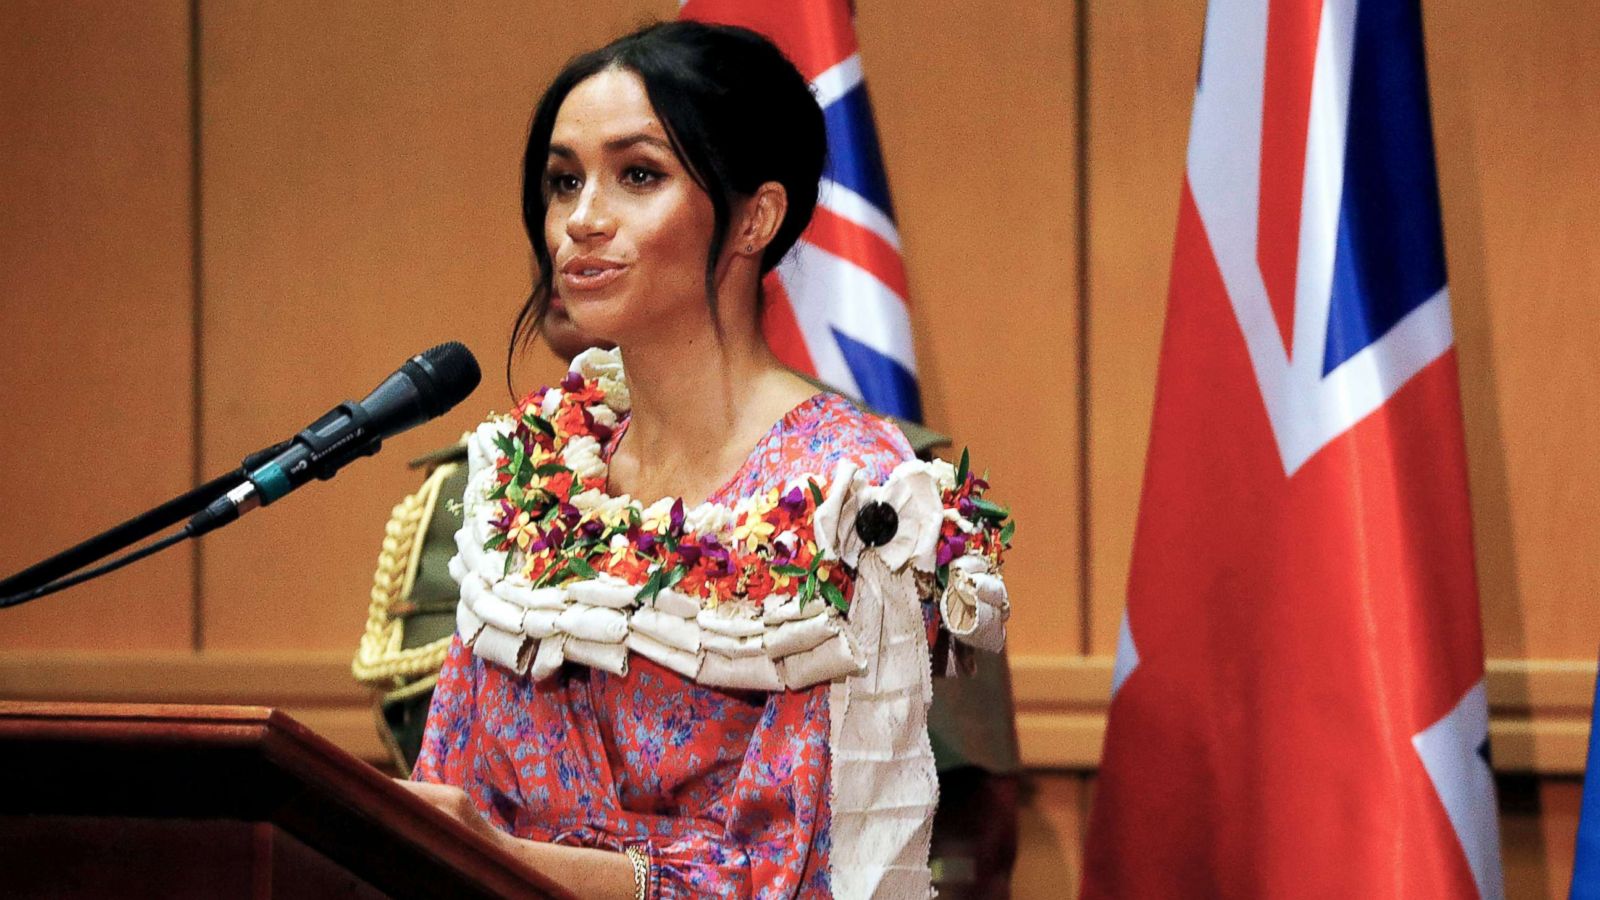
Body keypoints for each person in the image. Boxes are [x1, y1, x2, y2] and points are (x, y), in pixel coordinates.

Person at [397, 22, 1013, 898]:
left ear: (756, 216)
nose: (580, 220)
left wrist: (524, 864)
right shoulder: (533, 470)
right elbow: (442, 795)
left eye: (636, 175)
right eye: (563, 180)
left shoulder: (853, 495)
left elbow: (810, 873)